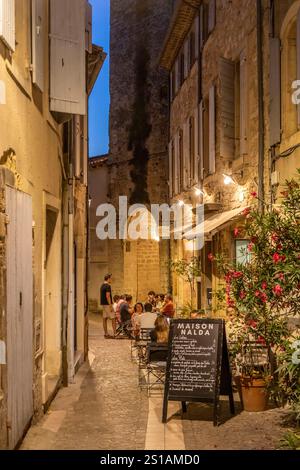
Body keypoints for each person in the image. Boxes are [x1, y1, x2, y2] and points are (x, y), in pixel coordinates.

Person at [100, 274, 115, 338]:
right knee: (113, 318)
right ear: (108, 278)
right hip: (107, 304)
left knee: (104, 318)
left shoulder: (102, 285)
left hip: (103, 304)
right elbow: (108, 296)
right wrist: (111, 305)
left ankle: (106, 333)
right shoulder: (108, 286)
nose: (111, 279)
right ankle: (115, 333)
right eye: (111, 278)